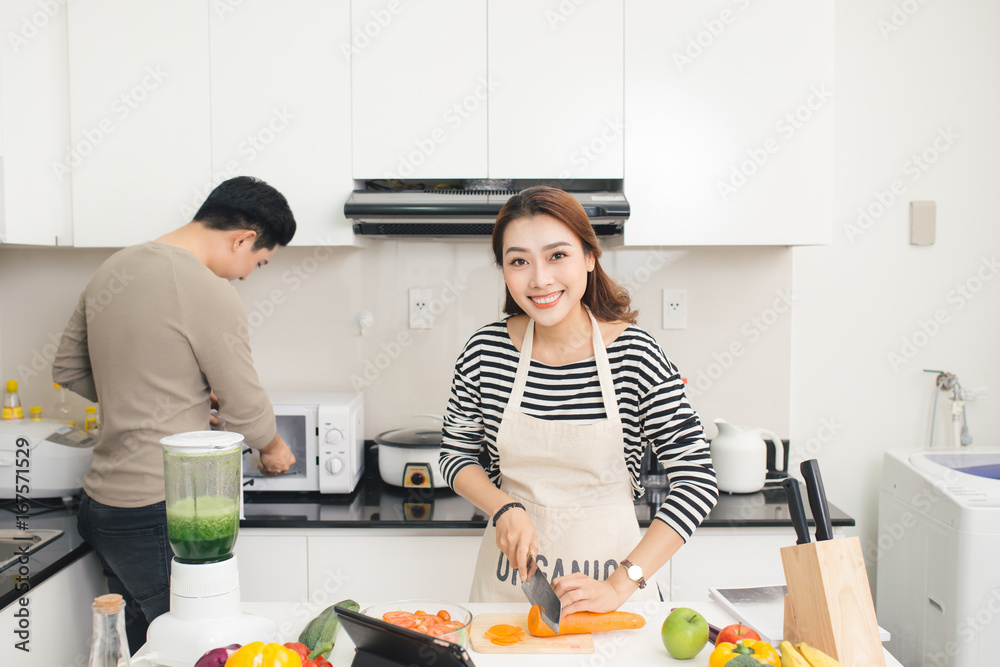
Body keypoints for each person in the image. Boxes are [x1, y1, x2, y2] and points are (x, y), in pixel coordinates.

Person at [440, 185, 719, 613]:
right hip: (507, 595)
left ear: (589, 257)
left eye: (557, 255)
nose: (540, 279)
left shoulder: (636, 355)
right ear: (504, 271)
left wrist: (621, 585)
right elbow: (455, 456)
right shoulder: (485, 353)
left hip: (613, 594)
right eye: (519, 261)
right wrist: (503, 507)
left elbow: (697, 482)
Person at [53, 176, 298, 652]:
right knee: (193, 650)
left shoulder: (114, 267)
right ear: (244, 238)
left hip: (102, 506)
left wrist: (150, 402)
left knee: (144, 649)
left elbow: (66, 368)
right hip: (160, 509)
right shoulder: (203, 286)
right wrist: (272, 446)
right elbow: (243, 399)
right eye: (258, 261)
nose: (247, 275)